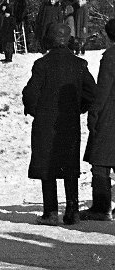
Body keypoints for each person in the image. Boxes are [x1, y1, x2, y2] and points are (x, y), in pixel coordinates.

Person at [23, 23, 97, 226]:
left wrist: (36, 111)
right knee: (69, 166)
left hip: (46, 123)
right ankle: (72, 212)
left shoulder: (42, 64)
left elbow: (30, 94)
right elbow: (92, 94)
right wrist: (78, 109)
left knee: (48, 166)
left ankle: (50, 213)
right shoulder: (79, 64)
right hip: (69, 123)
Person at [81, 19, 115, 221]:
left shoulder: (110, 57)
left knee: (100, 162)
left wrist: (93, 114)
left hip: (110, 117)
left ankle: (101, 208)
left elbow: (102, 91)